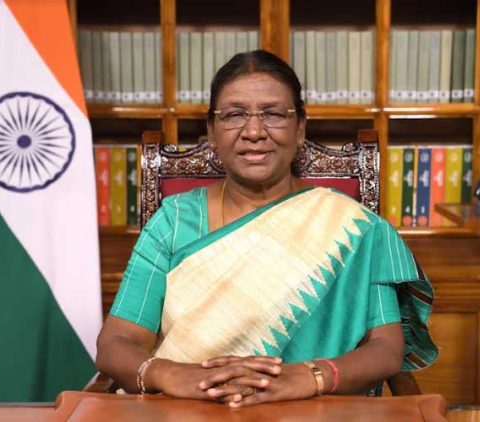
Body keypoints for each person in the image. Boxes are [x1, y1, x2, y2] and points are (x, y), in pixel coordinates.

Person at [96, 50, 437, 408]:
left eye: (273, 114)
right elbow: (116, 341)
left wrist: (311, 375)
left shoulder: (351, 227)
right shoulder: (174, 220)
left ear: (300, 128)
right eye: (234, 115)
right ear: (212, 131)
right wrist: (174, 375)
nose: (254, 132)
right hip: (188, 409)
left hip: (314, 409)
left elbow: (385, 348)